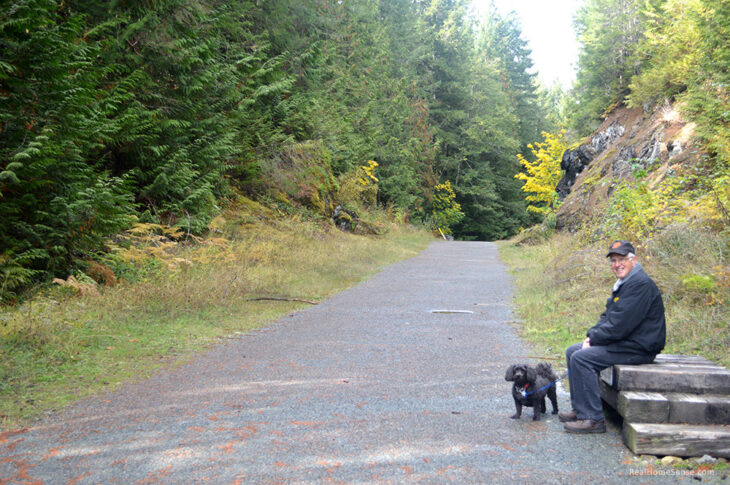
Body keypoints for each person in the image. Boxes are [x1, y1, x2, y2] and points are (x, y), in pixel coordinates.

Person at [560, 240, 666, 433]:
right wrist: (590, 337)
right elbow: (608, 317)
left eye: (622, 259)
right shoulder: (626, 283)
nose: (617, 264)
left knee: (582, 358)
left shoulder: (640, 284)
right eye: (614, 260)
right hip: (626, 343)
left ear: (633, 259)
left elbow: (619, 326)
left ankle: (594, 420)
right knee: (572, 351)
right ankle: (581, 409)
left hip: (639, 348)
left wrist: (593, 340)